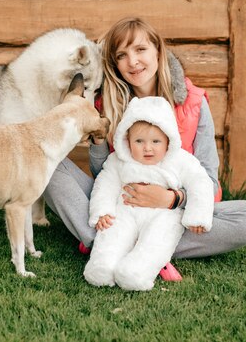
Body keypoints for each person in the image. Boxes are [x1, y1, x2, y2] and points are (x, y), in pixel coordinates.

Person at [43, 17, 246, 274]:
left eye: (140, 50)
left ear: (158, 51)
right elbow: (104, 175)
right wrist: (98, 140)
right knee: (48, 163)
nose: (133, 61)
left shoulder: (193, 103)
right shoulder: (109, 104)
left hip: (171, 215)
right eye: (122, 55)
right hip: (121, 207)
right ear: (115, 65)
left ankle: (122, 247)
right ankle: (121, 244)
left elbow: (209, 183)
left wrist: (172, 199)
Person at [84, 96, 214, 291]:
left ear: (168, 140)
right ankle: (103, 266)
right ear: (127, 141)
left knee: (157, 239)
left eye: (156, 141)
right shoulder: (119, 160)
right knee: (113, 231)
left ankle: (136, 272)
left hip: (163, 215)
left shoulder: (180, 160)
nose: (147, 148)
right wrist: (102, 211)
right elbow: (105, 183)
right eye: (139, 141)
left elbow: (200, 182)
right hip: (125, 211)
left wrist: (197, 216)